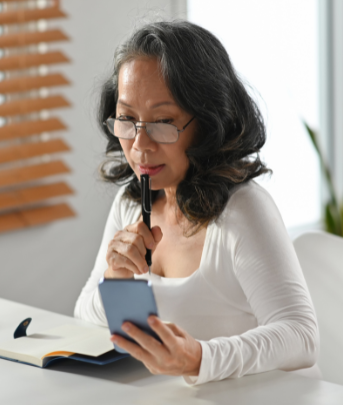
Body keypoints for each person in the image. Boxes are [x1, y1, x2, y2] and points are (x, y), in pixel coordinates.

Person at [74, 21, 320, 385]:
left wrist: (199, 358)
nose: (140, 146)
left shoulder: (243, 210)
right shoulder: (131, 203)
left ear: (207, 122)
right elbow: (84, 316)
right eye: (127, 119)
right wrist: (116, 278)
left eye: (162, 121)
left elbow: (301, 337)